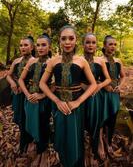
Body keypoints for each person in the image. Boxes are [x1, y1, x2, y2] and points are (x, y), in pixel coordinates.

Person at [39, 25, 97, 167]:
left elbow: (93, 84)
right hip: (58, 104)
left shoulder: (81, 61)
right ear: (59, 41)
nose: (67, 42)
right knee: (60, 134)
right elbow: (42, 84)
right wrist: (57, 101)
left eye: (71, 38)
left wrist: (78, 102)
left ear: (76, 40)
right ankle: (63, 161)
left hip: (76, 105)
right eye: (63, 38)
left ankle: (77, 162)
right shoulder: (53, 61)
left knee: (75, 135)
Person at [18, 34, 52, 166]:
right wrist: (27, 95)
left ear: (49, 47)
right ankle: (29, 146)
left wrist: (42, 95)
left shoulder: (52, 62)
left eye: (44, 45)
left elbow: (54, 85)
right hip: (29, 99)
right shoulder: (32, 61)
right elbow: (21, 79)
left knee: (43, 124)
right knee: (29, 123)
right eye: (38, 45)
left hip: (44, 101)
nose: (40, 48)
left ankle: (42, 151)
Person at [82, 33, 111, 166]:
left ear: (97, 45)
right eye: (88, 42)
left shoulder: (100, 61)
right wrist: (83, 86)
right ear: (83, 44)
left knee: (96, 121)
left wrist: (99, 86)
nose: (91, 45)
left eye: (93, 42)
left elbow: (108, 79)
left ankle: (97, 144)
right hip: (81, 96)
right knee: (83, 122)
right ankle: (82, 148)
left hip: (95, 97)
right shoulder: (78, 59)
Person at [6, 36, 35, 153]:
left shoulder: (35, 61)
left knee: (27, 117)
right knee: (19, 116)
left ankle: (26, 141)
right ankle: (24, 139)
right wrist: (12, 82)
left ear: (32, 47)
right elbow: (8, 75)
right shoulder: (16, 61)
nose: (23, 47)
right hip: (17, 93)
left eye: (26, 45)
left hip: (29, 93)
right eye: (21, 45)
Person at [101, 35, 125, 157]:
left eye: (115, 44)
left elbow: (123, 76)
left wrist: (120, 86)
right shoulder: (99, 60)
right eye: (110, 44)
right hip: (102, 95)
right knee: (102, 119)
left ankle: (109, 143)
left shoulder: (118, 61)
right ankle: (100, 143)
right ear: (104, 45)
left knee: (113, 118)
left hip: (115, 94)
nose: (113, 47)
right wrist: (103, 85)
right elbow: (93, 79)